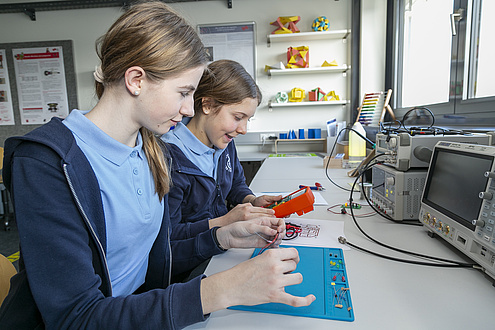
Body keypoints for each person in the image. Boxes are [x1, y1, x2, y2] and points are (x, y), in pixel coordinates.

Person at [0, 2, 314, 329]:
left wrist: (223, 236)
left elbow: (159, 247)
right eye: (183, 93)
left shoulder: (152, 151)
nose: (190, 109)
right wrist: (222, 289)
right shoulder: (46, 163)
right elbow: (75, 318)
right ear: (136, 79)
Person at [162, 60, 283, 277]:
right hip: (189, 267)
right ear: (207, 105)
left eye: (248, 120)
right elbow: (169, 237)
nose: (243, 129)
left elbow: (236, 184)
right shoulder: (170, 158)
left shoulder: (224, 141)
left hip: (222, 249)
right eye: (238, 117)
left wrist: (251, 201)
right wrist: (224, 222)